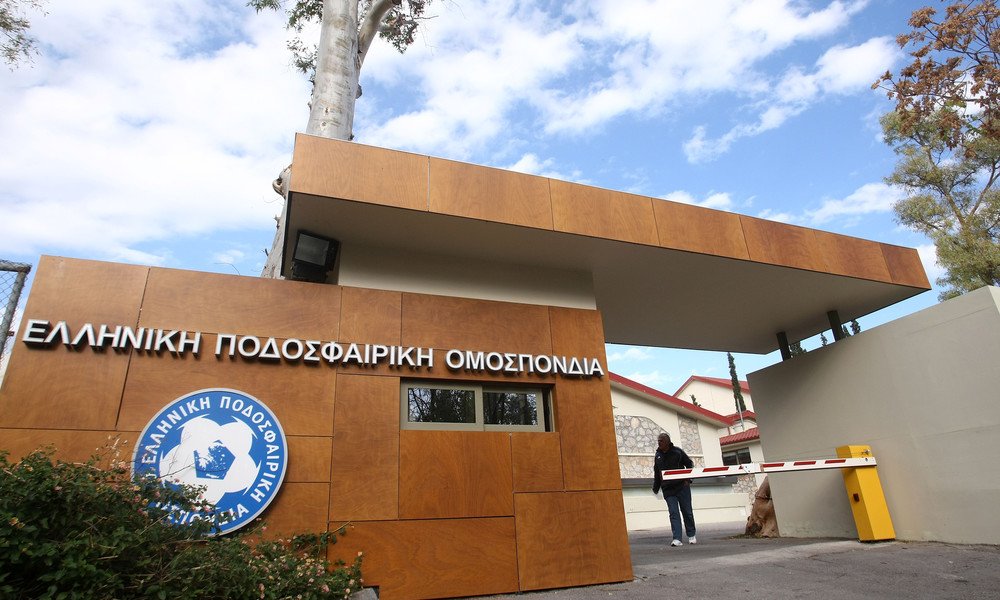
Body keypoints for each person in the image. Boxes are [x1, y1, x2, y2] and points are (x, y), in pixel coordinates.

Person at [652, 432, 697, 546]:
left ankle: (691, 535)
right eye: (658, 441)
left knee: (687, 511)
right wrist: (656, 488)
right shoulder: (658, 456)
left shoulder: (678, 452)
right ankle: (677, 538)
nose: (659, 443)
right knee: (673, 513)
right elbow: (657, 473)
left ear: (667, 442)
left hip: (682, 487)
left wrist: (688, 480)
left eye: (661, 441)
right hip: (668, 489)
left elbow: (689, 464)